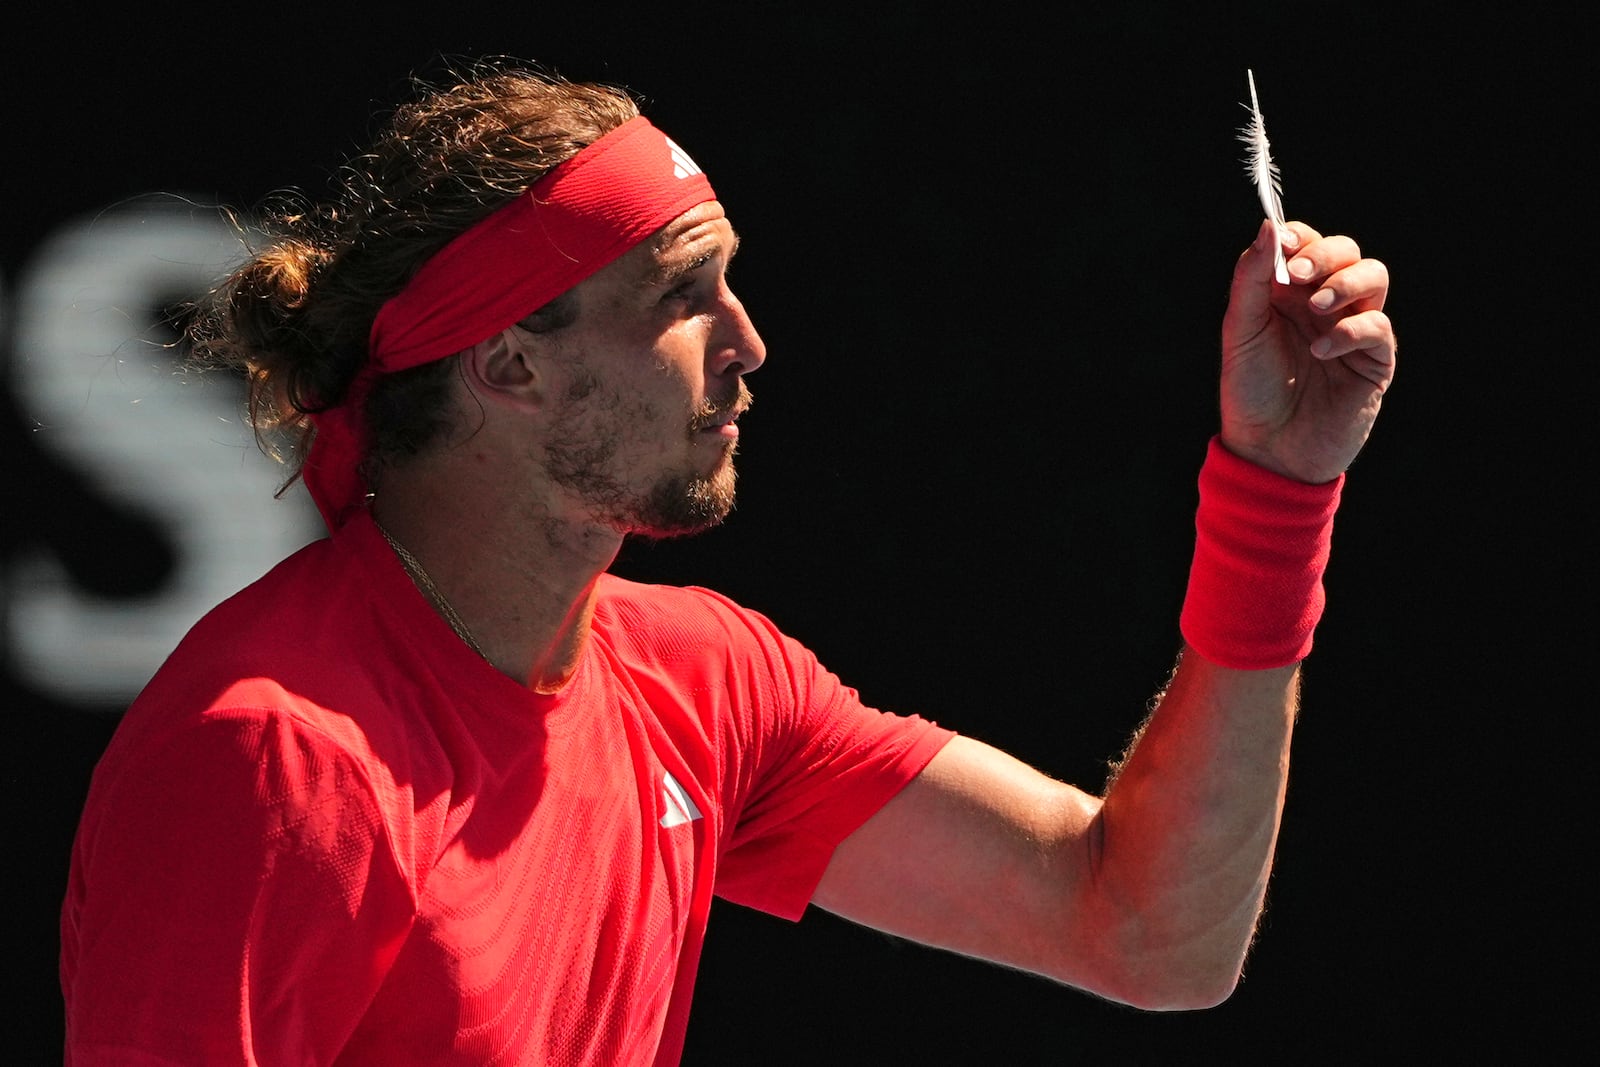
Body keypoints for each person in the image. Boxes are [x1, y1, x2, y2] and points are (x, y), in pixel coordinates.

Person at [60, 58, 1396, 1066]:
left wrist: (1278, 493)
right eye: (684, 296)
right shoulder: (274, 762)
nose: (750, 344)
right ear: (511, 362)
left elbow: (1149, 934)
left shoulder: (705, 686)